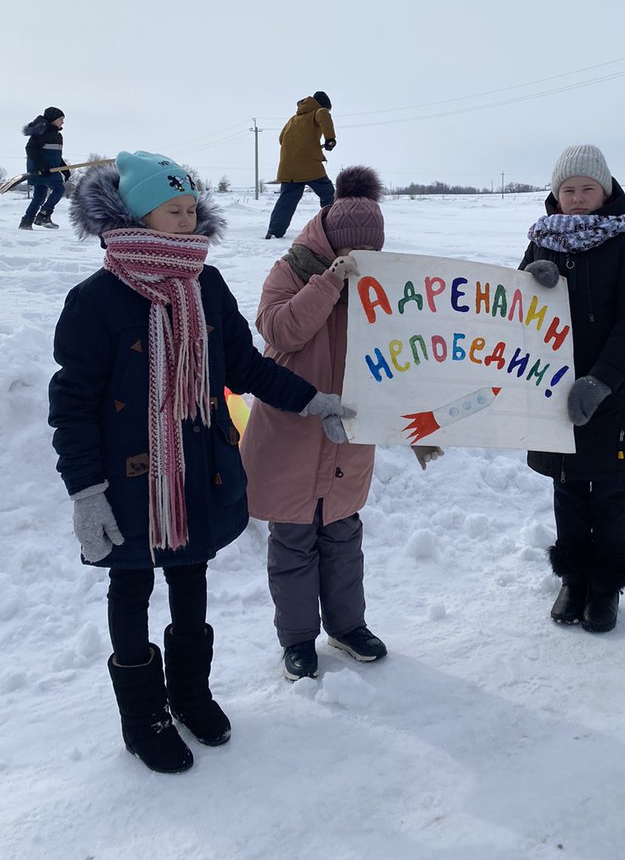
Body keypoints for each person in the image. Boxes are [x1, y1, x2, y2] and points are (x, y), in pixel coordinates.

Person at [49, 151, 353, 775]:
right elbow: (72, 404)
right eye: (174, 210)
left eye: (193, 209)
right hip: (126, 480)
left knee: (191, 583)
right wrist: (86, 491)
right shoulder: (95, 299)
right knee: (130, 587)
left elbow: (244, 366)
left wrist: (311, 400)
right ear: (137, 214)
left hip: (196, 469)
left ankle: (189, 693)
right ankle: (144, 717)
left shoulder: (205, 285)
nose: (188, 221)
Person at [241, 165, 440, 680]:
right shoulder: (289, 270)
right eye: (350, 251)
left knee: (343, 537)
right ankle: (298, 640)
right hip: (291, 432)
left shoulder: (384, 282)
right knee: (293, 545)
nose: (359, 260)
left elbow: (407, 352)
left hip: (349, 436)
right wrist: (329, 284)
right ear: (329, 239)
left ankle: (348, 626)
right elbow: (281, 332)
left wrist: (420, 427)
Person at [519, 144, 625, 634]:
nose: (577, 198)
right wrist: (533, 280)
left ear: (605, 191)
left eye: (587, 189)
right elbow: (514, 311)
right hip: (553, 390)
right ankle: (574, 578)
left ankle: (607, 584)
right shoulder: (542, 241)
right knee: (569, 488)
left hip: (611, 392)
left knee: (610, 492)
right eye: (568, 190)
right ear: (556, 195)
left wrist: (601, 381)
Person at [265, 92, 337, 239]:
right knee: (328, 193)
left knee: (287, 200)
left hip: (288, 167)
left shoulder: (293, 119)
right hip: (309, 164)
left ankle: (274, 232)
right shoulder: (319, 111)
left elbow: (281, 139)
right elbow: (324, 115)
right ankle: (333, 226)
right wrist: (330, 139)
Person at [20, 105, 70, 229]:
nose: (62, 122)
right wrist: (42, 167)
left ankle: (27, 222)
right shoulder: (43, 132)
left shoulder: (57, 135)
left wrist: (65, 170)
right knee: (59, 189)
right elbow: (30, 149)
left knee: (39, 196)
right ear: (52, 119)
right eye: (60, 119)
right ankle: (44, 215)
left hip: (48, 170)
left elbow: (56, 156)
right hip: (42, 170)